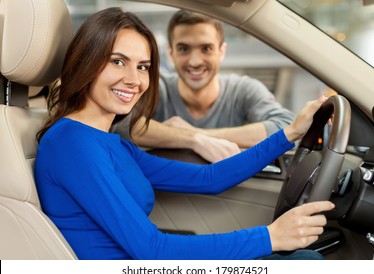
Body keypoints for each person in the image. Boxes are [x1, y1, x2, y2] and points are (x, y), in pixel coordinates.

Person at [34, 7, 334, 260]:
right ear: (87, 60)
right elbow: (151, 249)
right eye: (117, 61)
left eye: (143, 67)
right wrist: (269, 237)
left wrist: (290, 132)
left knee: (305, 259)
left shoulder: (112, 142)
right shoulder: (72, 143)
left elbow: (210, 179)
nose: (134, 80)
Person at [111, 9, 296, 163]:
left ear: (221, 51)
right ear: (171, 53)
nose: (195, 61)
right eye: (184, 49)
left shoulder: (243, 90)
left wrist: (197, 133)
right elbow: (122, 126)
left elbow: (286, 125)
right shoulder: (157, 88)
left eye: (206, 49)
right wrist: (194, 140)